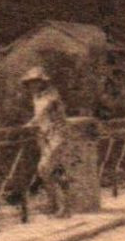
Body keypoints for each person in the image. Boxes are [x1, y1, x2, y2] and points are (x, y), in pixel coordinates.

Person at [23, 65, 84, 218]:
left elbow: (44, 110)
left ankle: (59, 205)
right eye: (30, 82)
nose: (33, 85)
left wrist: (31, 123)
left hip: (58, 135)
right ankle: (60, 205)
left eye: (36, 81)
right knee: (56, 171)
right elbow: (40, 115)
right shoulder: (36, 97)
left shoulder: (51, 94)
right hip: (45, 137)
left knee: (45, 168)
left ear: (42, 82)